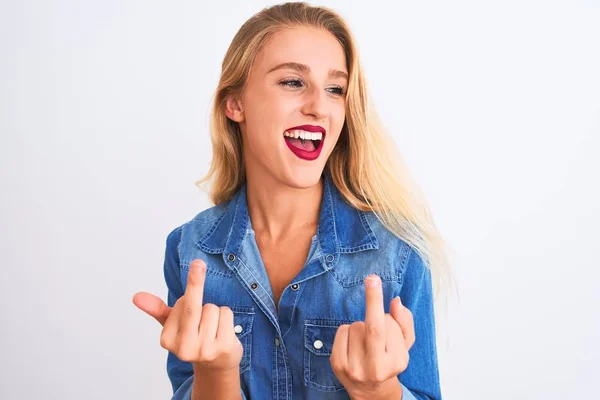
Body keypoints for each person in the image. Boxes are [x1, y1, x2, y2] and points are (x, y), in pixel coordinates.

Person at [133, 2, 451, 399]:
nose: (319, 105)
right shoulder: (190, 250)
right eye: (292, 82)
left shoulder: (398, 253)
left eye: (335, 89)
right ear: (236, 104)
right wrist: (216, 375)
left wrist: (379, 391)